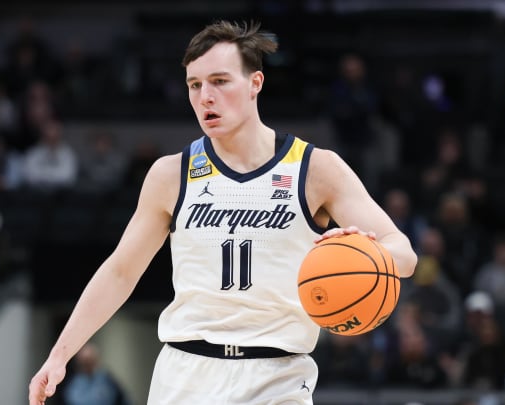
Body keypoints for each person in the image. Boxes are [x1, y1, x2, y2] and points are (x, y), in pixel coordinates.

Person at [28, 20, 417, 405]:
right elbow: (120, 271)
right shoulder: (171, 174)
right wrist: (59, 356)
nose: (205, 97)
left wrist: (366, 251)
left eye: (219, 81)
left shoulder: (315, 168)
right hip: (186, 374)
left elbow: (404, 253)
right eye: (194, 85)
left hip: (278, 375)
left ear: (255, 84)